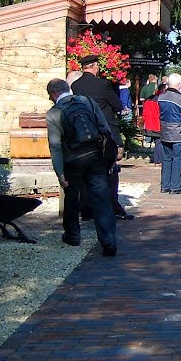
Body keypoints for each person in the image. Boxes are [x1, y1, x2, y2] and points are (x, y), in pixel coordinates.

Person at [45, 78, 117, 256]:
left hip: (72, 160)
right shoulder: (88, 102)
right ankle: (109, 241)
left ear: (54, 93)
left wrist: (60, 173)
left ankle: (72, 235)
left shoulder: (54, 113)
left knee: (71, 196)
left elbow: (55, 146)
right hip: (95, 156)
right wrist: (110, 154)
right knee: (101, 198)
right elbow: (105, 128)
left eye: (50, 96)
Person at [71, 55, 132, 220]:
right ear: (95, 66)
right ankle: (112, 208)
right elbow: (118, 106)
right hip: (105, 134)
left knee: (86, 172)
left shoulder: (76, 86)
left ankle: (87, 210)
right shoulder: (103, 85)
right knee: (110, 171)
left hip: (84, 133)